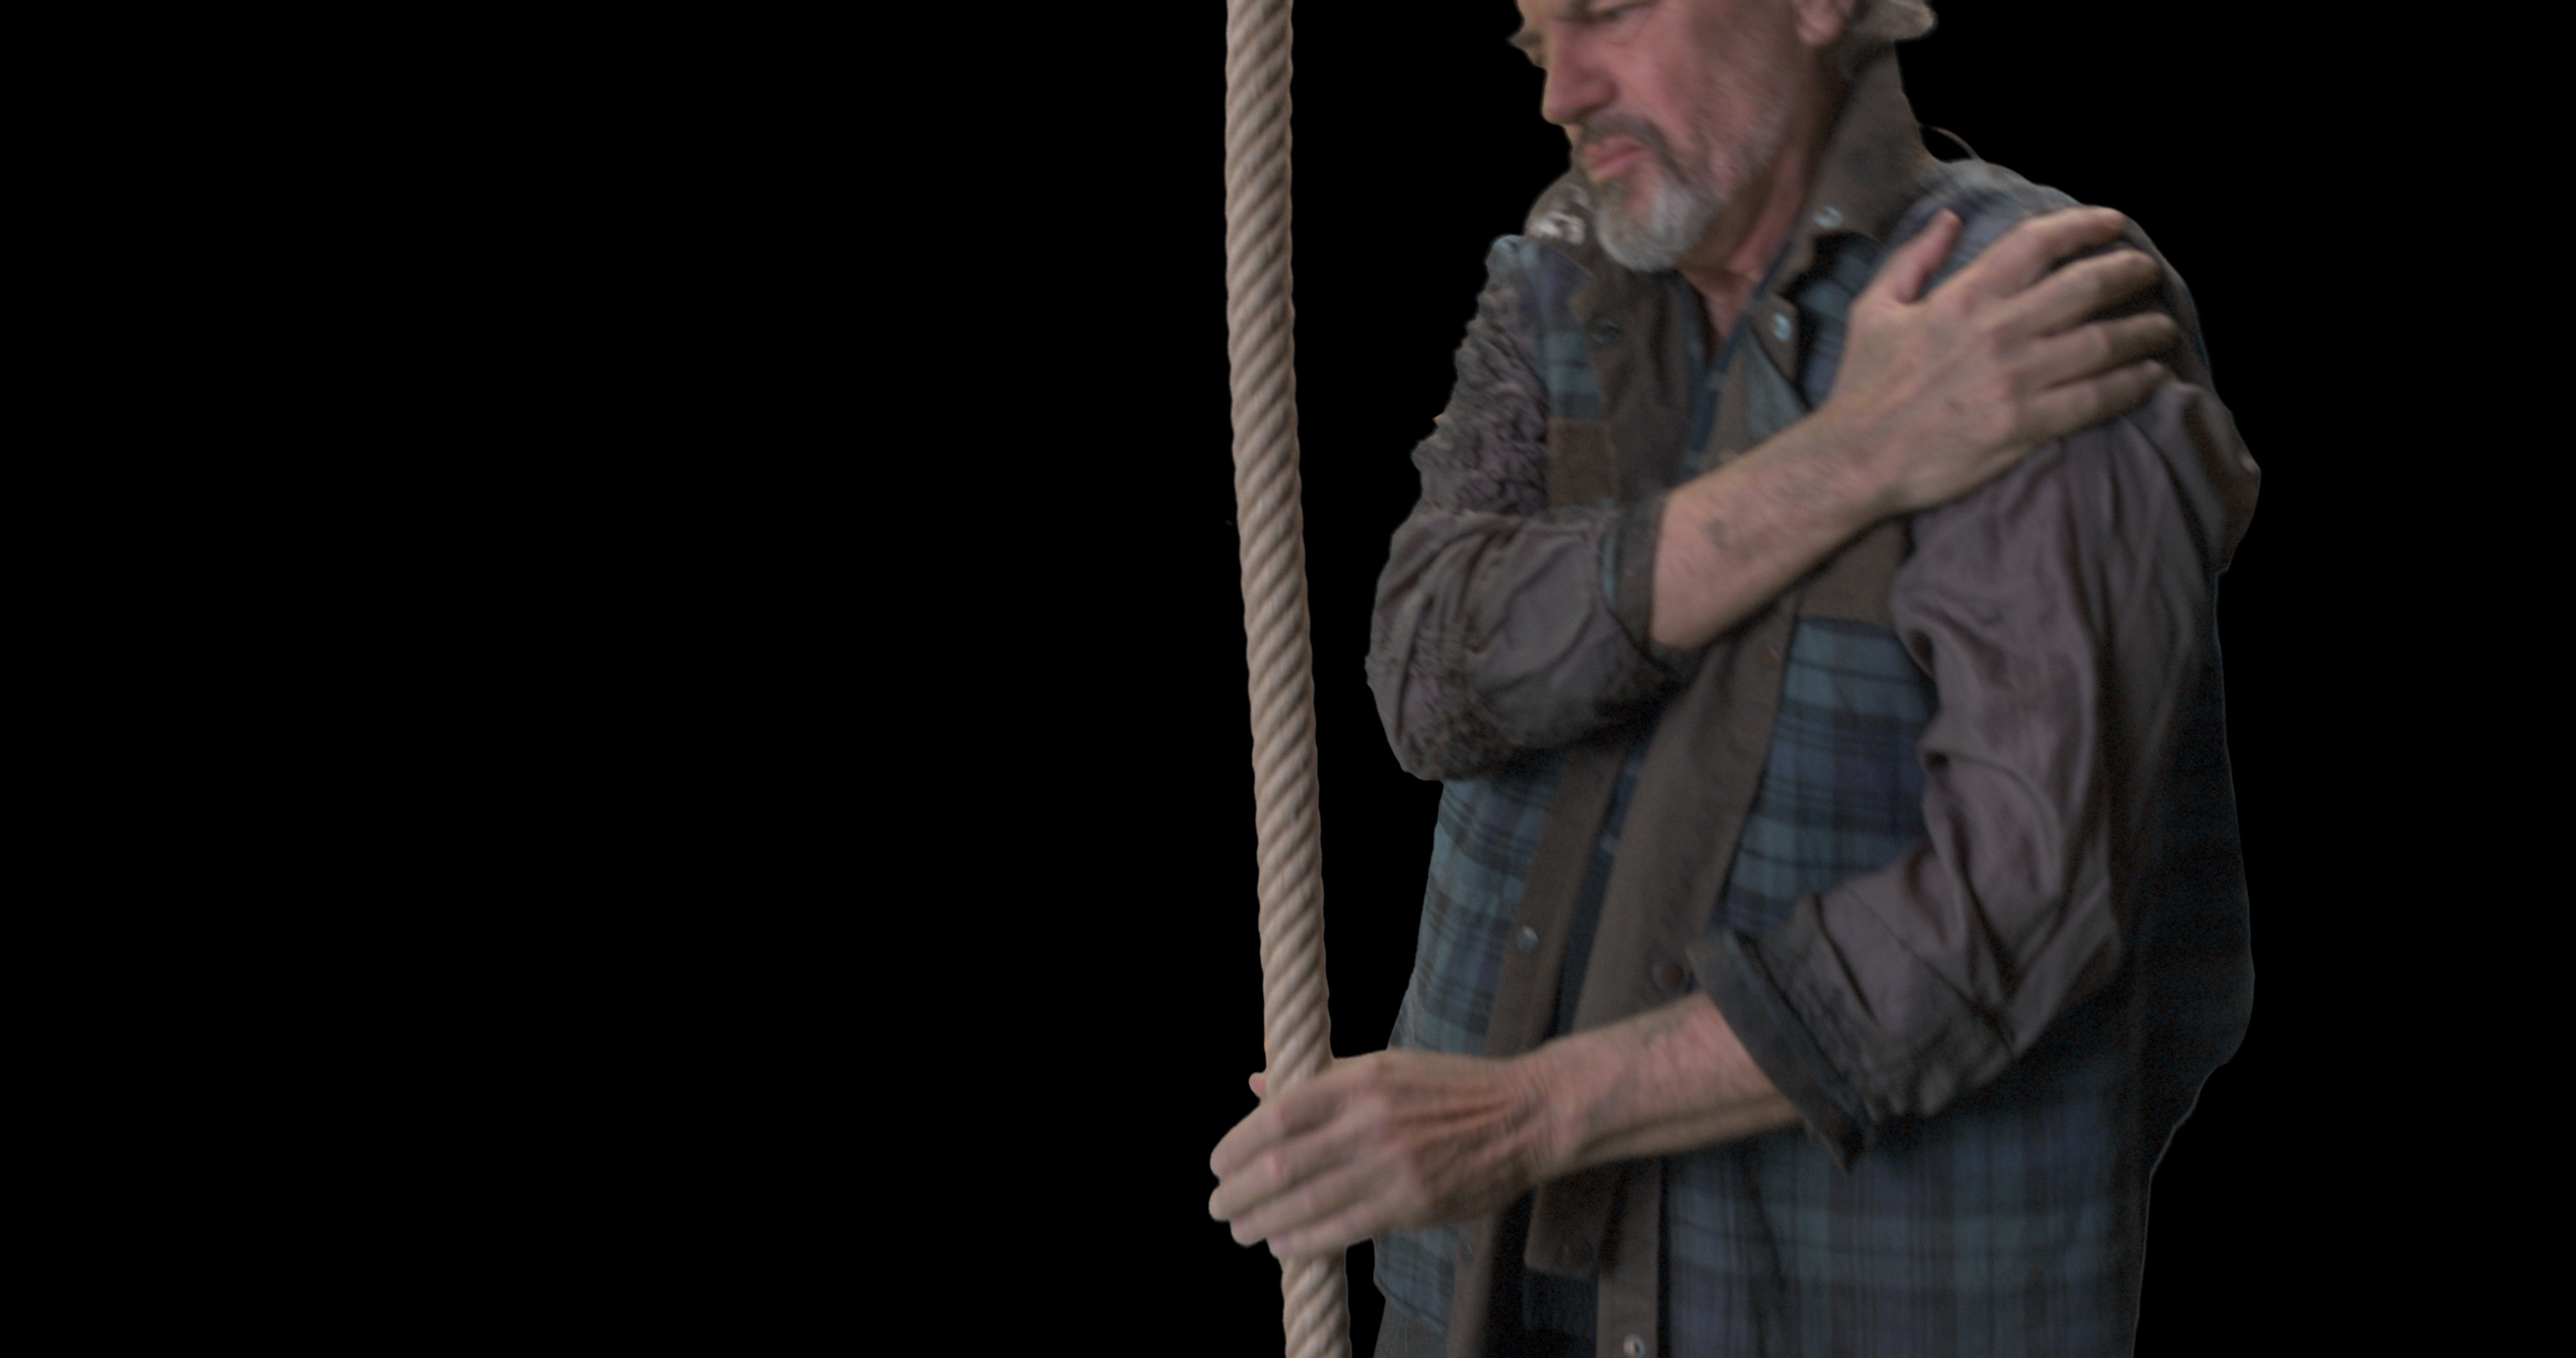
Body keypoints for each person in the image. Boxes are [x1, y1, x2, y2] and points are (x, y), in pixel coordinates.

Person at [1208, 1, 2258, 1354]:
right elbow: (1424, 682)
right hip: (1478, 1295)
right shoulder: (1562, 270)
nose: (1562, 92)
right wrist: (1847, 462)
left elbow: (2014, 911)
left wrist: (1526, 1116)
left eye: (1608, 13)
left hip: (1841, 1314)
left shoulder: (2033, 307)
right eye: (1536, 42)